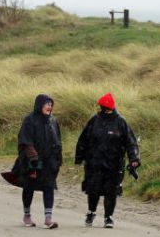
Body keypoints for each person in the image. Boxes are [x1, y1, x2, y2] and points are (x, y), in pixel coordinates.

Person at [74, 92, 140, 228]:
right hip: (94, 163)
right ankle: (91, 212)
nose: (101, 109)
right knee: (93, 189)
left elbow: (131, 142)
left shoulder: (121, 122)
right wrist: (79, 157)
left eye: (101, 107)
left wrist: (134, 158)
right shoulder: (94, 120)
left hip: (114, 164)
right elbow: (83, 139)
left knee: (111, 191)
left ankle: (108, 217)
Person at [14, 94, 63, 229]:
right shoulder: (29, 120)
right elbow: (25, 141)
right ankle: (27, 215)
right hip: (33, 160)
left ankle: (48, 219)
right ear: (39, 105)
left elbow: (58, 141)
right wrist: (33, 158)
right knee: (29, 186)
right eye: (47, 104)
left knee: (49, 186)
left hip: (49, 161)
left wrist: (58, 158)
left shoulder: (53, 120)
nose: (49, 107)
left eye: (51, 104)